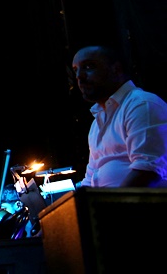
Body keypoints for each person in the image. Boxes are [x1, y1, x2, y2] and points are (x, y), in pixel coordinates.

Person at [72, 45, 167, 188]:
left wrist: (109, 209)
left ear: (116, 69)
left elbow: (148, 172)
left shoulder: (141, 104)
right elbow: (89, 179)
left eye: (88, 67)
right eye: (76, 70)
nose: (79, 76)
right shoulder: (97, 123)